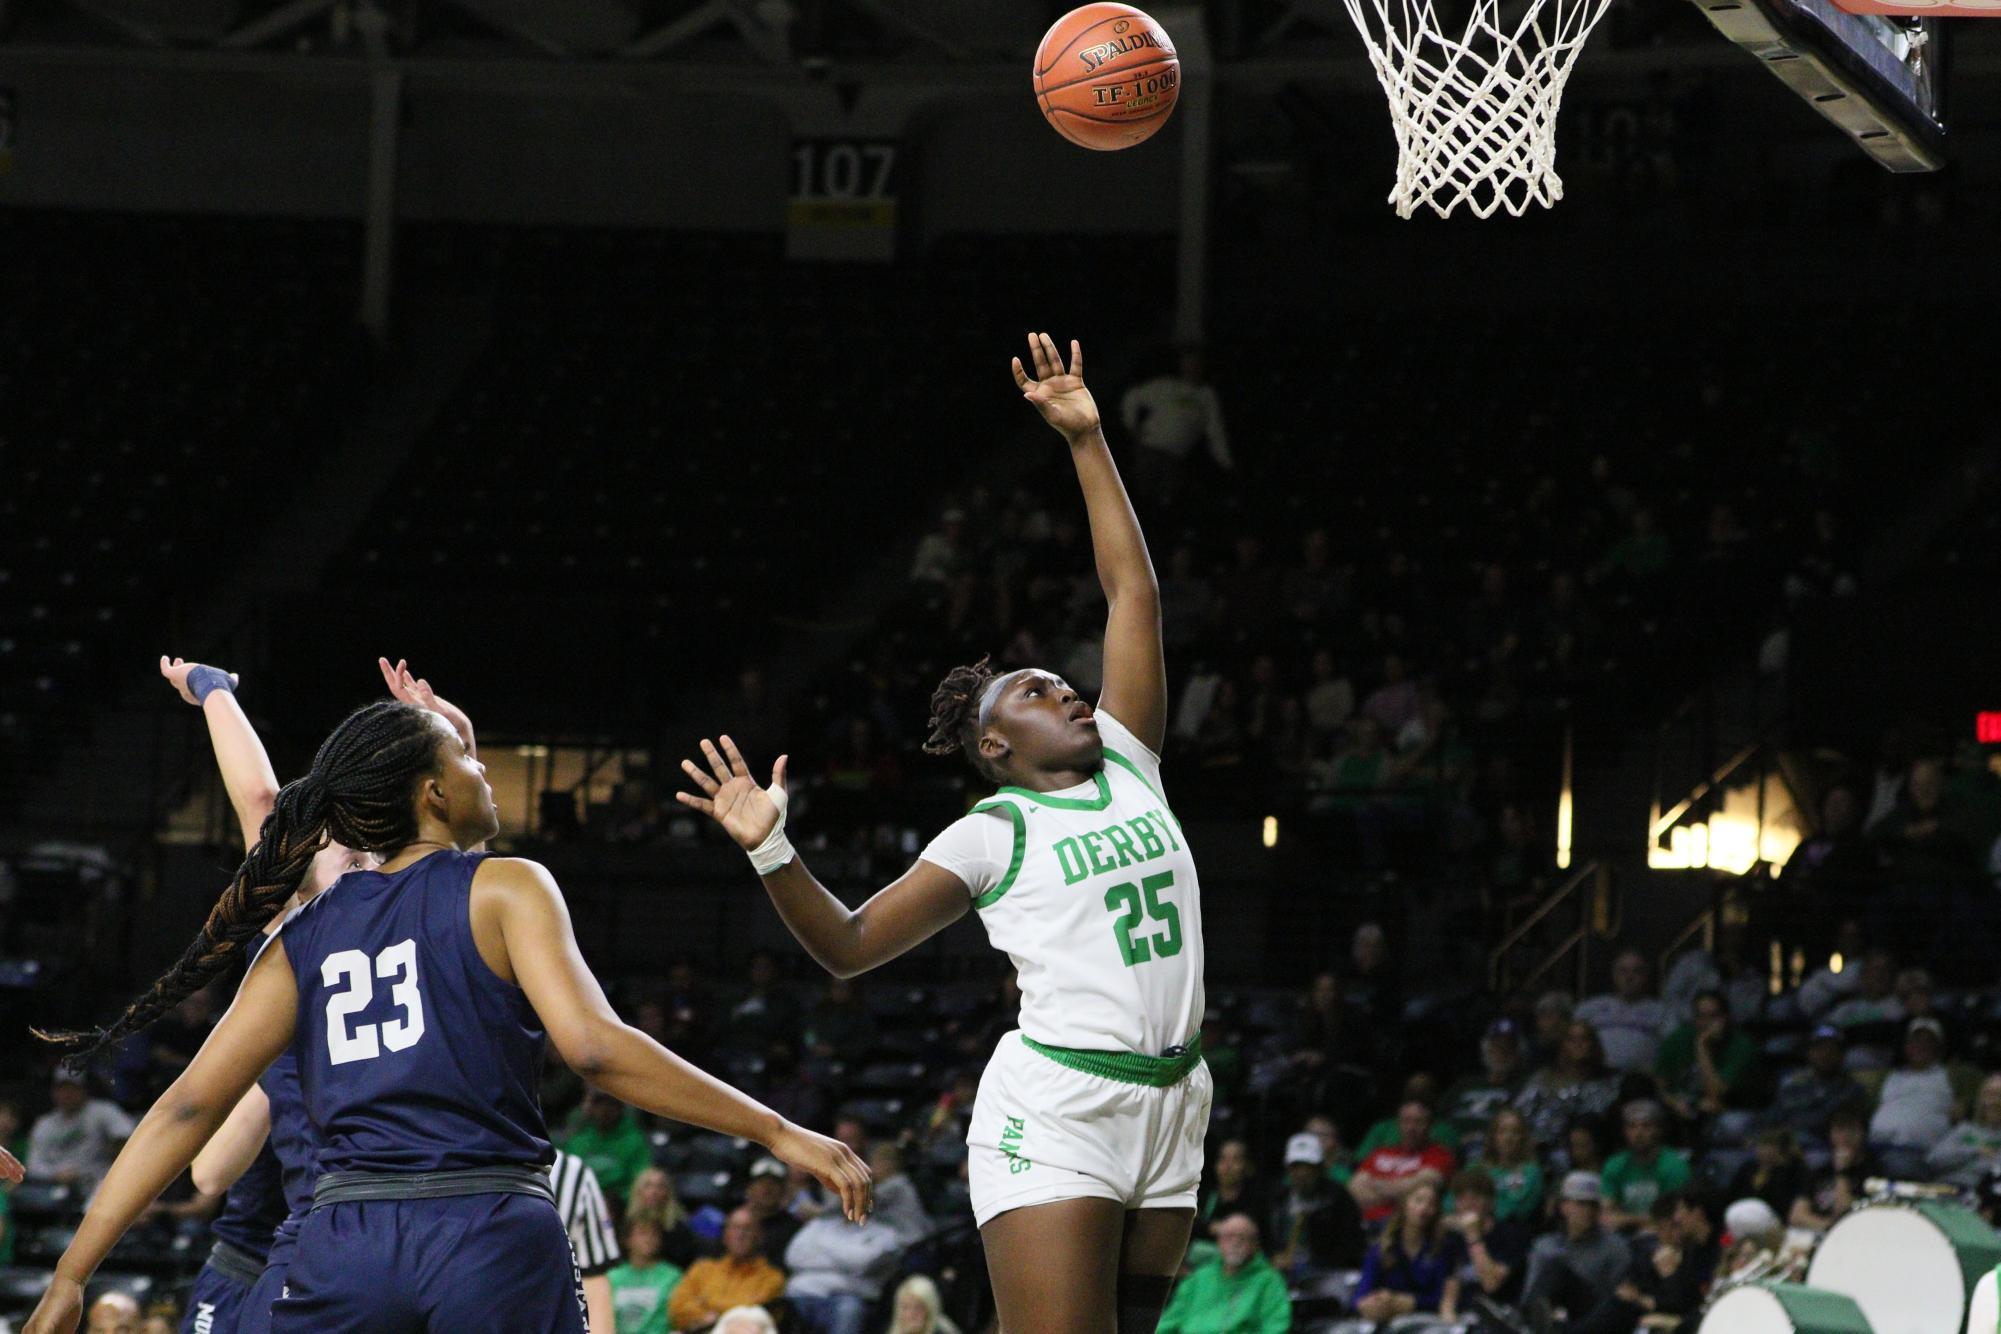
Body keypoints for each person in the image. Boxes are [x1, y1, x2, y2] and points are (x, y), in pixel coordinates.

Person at [20, 694, 869, 1334]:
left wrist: (71, 1271)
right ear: (432, 791)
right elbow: (597, 1051)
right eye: (468, 762)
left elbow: (186, 1106)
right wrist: (775, 1131)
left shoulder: (307, 932)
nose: (484, 772)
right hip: (485, 1228)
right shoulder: (508, 885)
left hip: (341, 1243)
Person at [675, 334, 1208, 1334]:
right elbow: (850, 944)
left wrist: (1088, 440)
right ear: (997, 741)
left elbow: (1134, 593)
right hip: (1060, 1105)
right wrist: (767, 846)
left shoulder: (1133, 760)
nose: (1070, 689)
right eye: (1042, 691)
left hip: (1176, 1095)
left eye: (1066, 678)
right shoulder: (992, 830)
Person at [1118, 344, 1231, 507]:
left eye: (1196, 362)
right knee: (1139, 500)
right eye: (1188, 362)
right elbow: (1132, 397)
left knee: (1166, 503)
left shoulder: (1207, 397)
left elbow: (1215, 431)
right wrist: (1131, 425)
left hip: (1176, 458)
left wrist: (1226, 463)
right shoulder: (1167, 386)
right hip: (1149, 449)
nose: (1192, 366)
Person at [1519, 1174, 1631, 1328]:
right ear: (1564, 1206)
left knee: (1557, 1270)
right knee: (1552, 1264)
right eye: (1581, 1204)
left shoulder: (1615, 1246)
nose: (1588, 1211)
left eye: (1593, 1205)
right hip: (1555, 1318)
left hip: (1593, 1318)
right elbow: (1530, 1293)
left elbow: (1619, 1301)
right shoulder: (1545, 1244)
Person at [1156, 1212, 1290, 1334]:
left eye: (1243, 1238)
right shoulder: (1198, 1278)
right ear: (1219, 1242)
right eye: (1229, 1237)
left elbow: (1276, 1327)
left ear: (1255, 1244)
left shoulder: (1270, 1281)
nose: (1235, 1242)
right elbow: (1168, 1323)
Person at [1354, 1181, 1464, 1324]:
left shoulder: (1444, 1247)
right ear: (1405, 1204)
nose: (1424, 1208)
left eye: (1431, 1204)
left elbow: (1445, 1298)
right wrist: (1372, 1303)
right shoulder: (1382, 1248)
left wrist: (1412, 1302)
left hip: (1429, 1320)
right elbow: (1360, 1296)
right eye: (1418, 1200)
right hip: (1388, 1319)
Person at [783, 1208, 905, 1334]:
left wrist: (822, 1246)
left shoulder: (885, 1233)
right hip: (802, 1293)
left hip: (849, 1297)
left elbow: (862, 1263)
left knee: (849, 1310)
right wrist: (845, 1260)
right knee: (779, 1308)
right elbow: (792, 1257)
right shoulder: (818, 1225)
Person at [1655, 988, 1762, 1129]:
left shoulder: (1742, 1046)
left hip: (1730, 1108)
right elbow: (1658, 1086)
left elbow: (1716, 1096)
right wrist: (1674, 1103)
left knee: (1727, 1120)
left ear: (1726, 1017)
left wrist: (1702, 1047)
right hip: (1680, 1104)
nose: (1706, 1023)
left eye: (1714, 1016)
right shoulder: (1679, 1038)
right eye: (1701, 1016)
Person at [671, 1208, 788, 1332]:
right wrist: (704, 1315)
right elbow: (678, 1307)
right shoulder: (702, 1269)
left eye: (747, 1229)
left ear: (759, 1236)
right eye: (734, 1228)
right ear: (725, 1235)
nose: (740, 1235)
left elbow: (749, 1315)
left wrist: (707, 1306)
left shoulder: (772, 1277)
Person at [1267, 1133, 1363, 1277]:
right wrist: (1274, 1256)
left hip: (1326, 1273)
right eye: (1296, 1166)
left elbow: (1352, 1245)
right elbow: (1266, 1240)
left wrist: (1314, 1264)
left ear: (1319, 1168)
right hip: (1281, 1273)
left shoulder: (1337, 1198)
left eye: (1308, 1167)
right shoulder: (1277, 1199)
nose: (1301, 1173)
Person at [1348, 1100, 1457, 1226]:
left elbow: (1414, 1189)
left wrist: (1374, 1184)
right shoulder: (1380, 1153)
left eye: (1418, 1122)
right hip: (1364, 1224)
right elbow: (1353, 1190)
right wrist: (1398, 1190)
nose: (1411, 1128)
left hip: (1404, 1226)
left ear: (1429, 1125)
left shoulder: (1441, 1155)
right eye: (1406, 1121)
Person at [1870, 1017, 1955, 1176]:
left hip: (1917, 1153)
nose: (1921, 1046)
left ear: (1939, 1047)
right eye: (1916, 1041)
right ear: (1907, 1046)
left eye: (1928, 1041)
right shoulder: (1890, 1076)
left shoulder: (1951, 1075)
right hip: (1875, 1146)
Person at [1512, 1022, 1618, 1148]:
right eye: (1572, 1040)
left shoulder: (1608, 1083)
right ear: (1563, 1045)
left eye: (1584, 1039)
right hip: (1540, 1149)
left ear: (1594, 1045)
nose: (1578, 1045)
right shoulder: (1544, 1079)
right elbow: (1518, 1113)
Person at [26, 1073, 133, 1193]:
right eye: (62, 1089)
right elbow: (33, 1165)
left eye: (73, 1088)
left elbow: (127, 1136)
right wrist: (55, 1175)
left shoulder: (103, 1111)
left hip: (97, 1181)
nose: (67, 1094)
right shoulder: (44, 1123)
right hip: (53, 1186)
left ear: (83, 1090)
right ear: (54, 1092)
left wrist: (113, 1148)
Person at [1762, 1025, 1867, 1143]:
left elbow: (1822, 1124)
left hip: (1820, 1148)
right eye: (1819, 1049)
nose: (1824, 1054)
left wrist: (1783, 1131)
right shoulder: (1795, 1086)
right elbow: (1771, 1117)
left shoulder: (1852, 1090)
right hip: (1780, 1144)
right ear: (1809, 1053)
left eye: (1831, 1049)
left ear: (1842, 1055)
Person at [1445, 1167, 1531, 1308]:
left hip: (1498, 1312)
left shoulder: (1511, 1234)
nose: (1468, 1205)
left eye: (1475, 1199)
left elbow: (1491, 1284)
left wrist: (1473, 1236)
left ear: (1490, 1202)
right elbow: (1450, 1289)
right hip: (1462, 1314)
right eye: (1462, 1199)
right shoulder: (1453, 1238)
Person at [1599, 1101, 1690, 1232]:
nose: (1638, 1133)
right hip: (1624, 1236)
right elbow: (1607, 1214)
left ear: (1658, 1130)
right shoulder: (1614, 1164)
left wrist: (1628, 1219)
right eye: (1632, 1126)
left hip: (1664, 1234)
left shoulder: (1674, 1166)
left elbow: (1672, 1217)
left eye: (1646, 1126)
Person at [563, 1088, 656, 1213]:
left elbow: (640, 1181)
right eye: (599, 1105)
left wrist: (618, 1199)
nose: (604, 1111)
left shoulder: (634, 1140)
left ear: (620, 1107)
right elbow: (568, 1177)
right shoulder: (579, 1140)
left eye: (610, 1104)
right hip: (581, 1203)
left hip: (621, 1208)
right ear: (591, 1109)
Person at [1573, 951, 1666, 1075]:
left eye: (1636, 971)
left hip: (1642, 1080)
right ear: (1614, 974)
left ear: (1645, 976)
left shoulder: (1661, 1011)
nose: (1629, 977)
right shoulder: (1589, 1008)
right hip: (1596, 1078)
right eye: (1623, 971)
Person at [1788, 1108, 1878, 1232]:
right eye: (1839, 1130)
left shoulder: (1872, 1172)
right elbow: (1796, 1216)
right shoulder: (1820, 1171)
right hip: (1818, 1231)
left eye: (1852, 1130)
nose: (1845, 1136)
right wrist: (1828, 1227)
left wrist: (1842, 1172)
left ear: (1863, 1133)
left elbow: (1846, 1214)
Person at [609, 1218, 685, 1334]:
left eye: (654, 1234)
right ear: (627, 1239)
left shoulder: (672, 1276)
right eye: (642, 1233)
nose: (649, 1239)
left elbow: (679, 1318)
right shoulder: (612, 1277)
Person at [1928, 1072, 2001, 1188]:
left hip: (1983, 1195)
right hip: (1946, 1188)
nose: (1993, 1102)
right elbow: (1934, 1160)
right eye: (1989, 1095)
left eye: (1998, 1095)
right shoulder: (1965, 1130)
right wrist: (1975, 1150)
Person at [1472, 1107, 1544, 1225]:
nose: (1508, 1138)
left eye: (1515, 1132)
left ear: (1523, 1138)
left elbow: (1513, 1211)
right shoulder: (1476, 1168)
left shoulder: (1531, 1172)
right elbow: (1450, 1203)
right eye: (1502, 1131)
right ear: (1493, 1137)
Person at [627, 1167, 706, 1269]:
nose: (654, 1192)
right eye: (648, 1186)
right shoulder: (626, 1223)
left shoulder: (680, 1229)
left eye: (660, 1186)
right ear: (638, 1191)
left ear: (668, 1193)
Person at [1728, 1129, 1807, 1218]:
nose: (1762, 1150)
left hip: (1776, 1217)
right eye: (1760, 1146)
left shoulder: (1794, 1170)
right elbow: (1732, 1194)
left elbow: (1787, 1202)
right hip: (1743, 1213)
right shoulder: (1748, 1167)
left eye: (1768, 1146)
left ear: (1780, 1150)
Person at [744, 1156, 804, 1266]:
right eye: (761, 1183)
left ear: (784, 1191)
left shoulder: (794, 1229)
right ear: (749, 1189)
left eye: (773, 1183)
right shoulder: (736, 1223)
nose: (767, 1189)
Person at [883, 1275, 962, 1334]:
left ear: (930, 1308)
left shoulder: (942, 1331)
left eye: (917, 1308)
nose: (910, 1314)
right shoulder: (896, 1330)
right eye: (905, 1307)